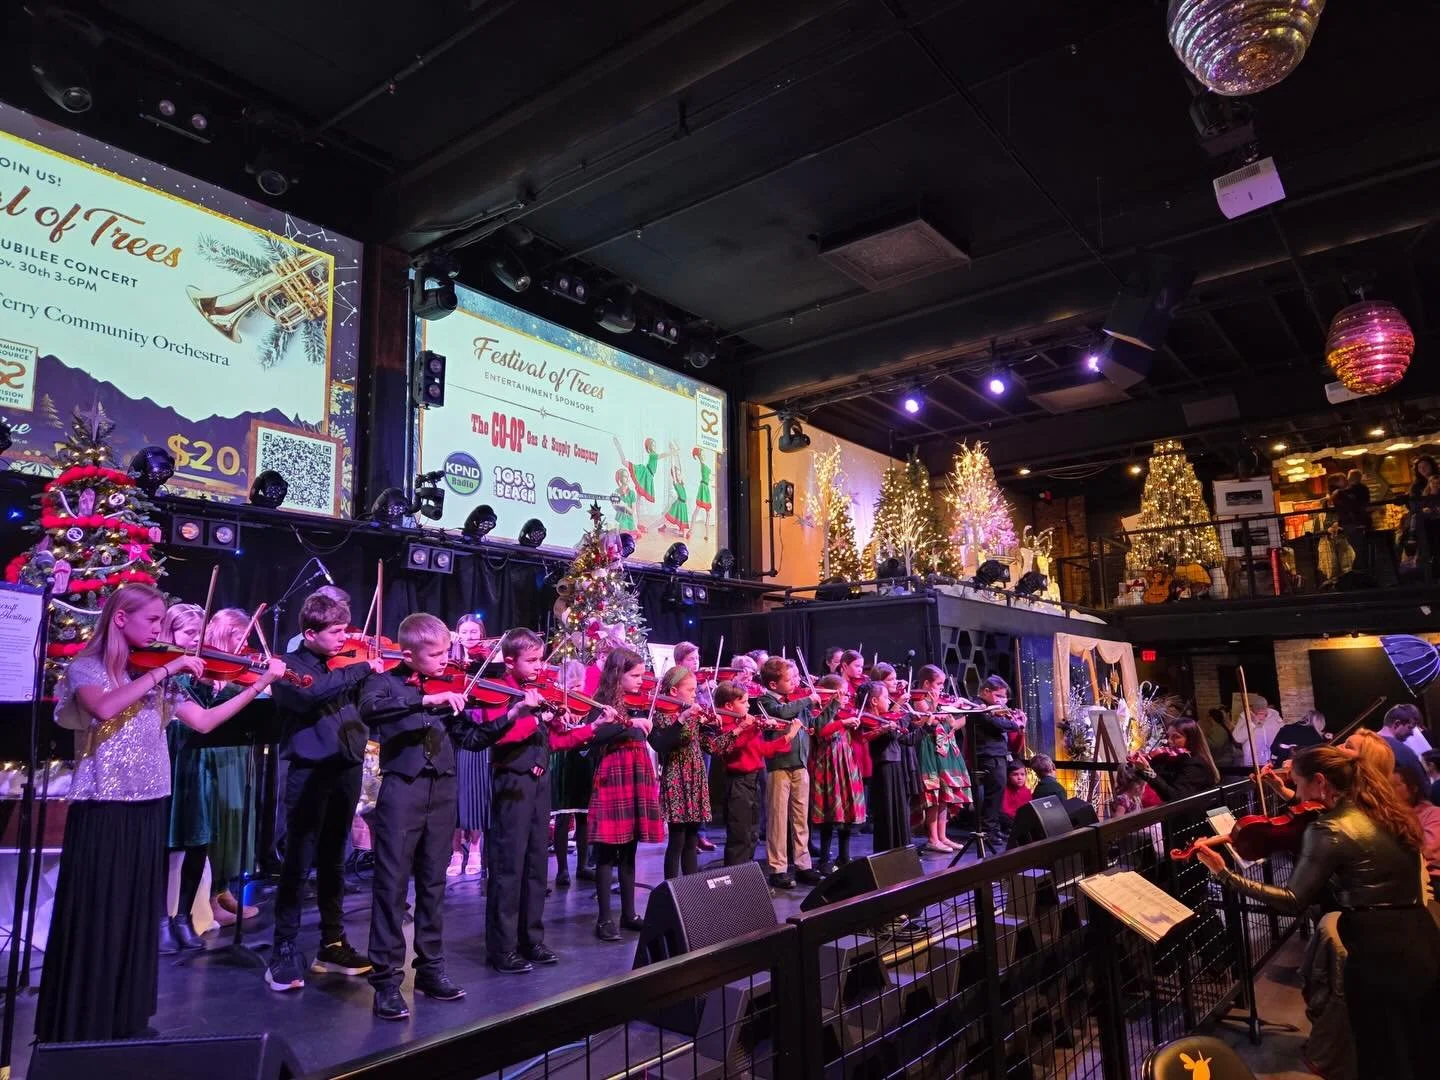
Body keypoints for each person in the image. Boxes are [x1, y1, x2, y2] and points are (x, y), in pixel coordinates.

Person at [38, 584, 284, 1043]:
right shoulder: (87, 667)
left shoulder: (159, 675)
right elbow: (105, 707)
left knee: (133, 914)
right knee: (98, 913)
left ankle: (124, 1016)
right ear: (120, 619)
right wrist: (168, 667)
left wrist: (260, 684)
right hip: (102, 807)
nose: (159, 631)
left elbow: (205, 722)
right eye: (153, 621)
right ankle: (79, 1021)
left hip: (150, 802)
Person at [1195, 742, 1440, 1079]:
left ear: (1320, 782)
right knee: (1420, 1046)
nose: (1297, 794)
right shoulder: (1383, 810)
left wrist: (1226, 875)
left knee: (1381, 1051)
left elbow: (1292, 899)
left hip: (1377, 948)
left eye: (1298, 784)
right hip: (1420, 934)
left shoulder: (1329, 828)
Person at [358, 613, 476, 1020]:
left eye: (447, 652)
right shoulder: (384, 683)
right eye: (436, 654)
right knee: (390, 886)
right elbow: (370, 712)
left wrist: (510, 717)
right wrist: (425, 699)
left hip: (442, 789)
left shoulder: (450, 688)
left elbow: (470, 738)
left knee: (433, 883)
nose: (446, 660)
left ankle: (430, 968)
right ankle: (386, 981)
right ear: (408, 654)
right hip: (402, 789)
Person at [266, 591, 381, 994]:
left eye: (345, 631)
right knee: (298, 861)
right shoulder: (289, 667)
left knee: (336, 859)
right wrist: (363, 667)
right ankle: (283, 946)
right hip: (309, 771)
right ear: (309, 633)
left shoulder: (342, 665)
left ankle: (331, 944)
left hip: (346, 768)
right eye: (335, 632)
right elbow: (312, 693)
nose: (343, 639)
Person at [475, 628, 594, 974]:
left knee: (535, 865)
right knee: (508, 867)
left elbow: (555, 742)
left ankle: (531, 938)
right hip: (512, 781)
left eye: (541, 659)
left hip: (539, 784)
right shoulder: (497, 692)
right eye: (532, 660)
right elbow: (501, 736)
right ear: (509, 661)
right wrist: (535, 717)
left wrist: (589, 727)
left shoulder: (536, 692)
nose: (539, 667)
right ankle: (502, 947)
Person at [167, 607, 264, 946]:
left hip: (199, 761)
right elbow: (200, 719)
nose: (196, 643)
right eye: (188, 636)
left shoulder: (200, 671)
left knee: (199, 837)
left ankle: (184, 917)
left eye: (199, 636)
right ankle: (166, 917)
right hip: (176, 759)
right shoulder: (170, 674)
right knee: (175, 839)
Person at [587, 647, 664, 940]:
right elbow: (593, 736)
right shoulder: (603, 702)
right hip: (614, 772)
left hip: (637, 771)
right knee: (606, 850)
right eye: (635, 675)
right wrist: (627, 723)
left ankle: (629, 912)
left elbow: (655, 739)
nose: (640, 681)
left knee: (630, 849)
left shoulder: (640, 702)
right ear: (618, 674)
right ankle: (604, 918)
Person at [708, 682, 797, 869]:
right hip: (737, 783)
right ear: (729, 706)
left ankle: (747, 877)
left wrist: (787, 736)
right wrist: (753, 727)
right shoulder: (726, 726)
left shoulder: (746, 725)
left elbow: (763, 749)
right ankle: (735, 878)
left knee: (753, 834)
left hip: (753, 780)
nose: (749, 706)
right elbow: (736, 745)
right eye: (744, 701)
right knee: (739, 835)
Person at [755, 658, 823, 889]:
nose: (795, 682)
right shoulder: (766, 700)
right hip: (779, 766)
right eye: (789, 678)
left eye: (795, 677)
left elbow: (814, 722)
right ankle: (778, 868)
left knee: (800, 818)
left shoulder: (798, 702)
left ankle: (803, 864)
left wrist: (830, 705)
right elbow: (781, 712)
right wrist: (807, 699)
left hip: (800, 765)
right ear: (773, 684)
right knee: (778, 819)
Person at [653, 665, 709, 879]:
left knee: (692, 838)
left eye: (696, 689)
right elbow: (666, 742)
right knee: (677, 839)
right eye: (690, 689)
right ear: (674, 692)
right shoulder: (662, 715)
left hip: (695, 775)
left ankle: (692, 889)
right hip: (676, 776)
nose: (695, 694)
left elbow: (707, 744)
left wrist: (714, 727)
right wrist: (684, 718)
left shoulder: (693, 712)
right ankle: (672, 888)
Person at [448, 614, 490, 878]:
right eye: (465, 632)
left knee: (475, 792)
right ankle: (455, 851)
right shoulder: (449, 660)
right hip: (453, 730)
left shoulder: (488, 661)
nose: (470, 636)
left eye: (475, 632)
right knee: (454, 794)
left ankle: (474, 847)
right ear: (458, 634)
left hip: (478, 729)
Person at [912, 665, 969, 854]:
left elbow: (959, 722)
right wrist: (937, 707)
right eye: (938, 684)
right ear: (926, 683)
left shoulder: (944, 701)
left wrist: (956, 719)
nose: (942, 688)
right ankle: (932, 838)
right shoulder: (920, 701)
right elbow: (930, 720)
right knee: (934, 795)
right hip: (930, 748)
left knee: (945, 794)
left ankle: (943, 836)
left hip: (946, 748)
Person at [550, 656, 596, 887]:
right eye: (572, 687)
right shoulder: (558, 705)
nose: (578, 691)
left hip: (583, 762)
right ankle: (562, 869)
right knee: (563, 815)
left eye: (580, 686)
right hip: (564, 762)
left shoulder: (589, 705)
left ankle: (583, 865)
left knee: (584, 815)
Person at [858, 680, 913, 853]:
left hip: (895, 766)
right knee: (887, 813)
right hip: (884, 768)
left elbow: (906, 740)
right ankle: (888, 853)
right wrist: (903, 716)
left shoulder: (886, 719)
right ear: (874, 701)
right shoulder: (870, 720)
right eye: (886, 698)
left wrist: (925, 726)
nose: (890, 701)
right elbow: (885, 735)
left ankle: (901, 851)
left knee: (899, 811)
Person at [971, 675, 1026, 845]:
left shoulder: (993, 709)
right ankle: (988, 831)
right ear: (986, 691)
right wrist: (1016, 724)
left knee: (997, 795)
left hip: (997, 755)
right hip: (987, 756)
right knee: (992, 795)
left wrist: (1013, 719)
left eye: (1004, 697)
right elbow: (996, 724)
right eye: (999, 696)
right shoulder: (977, 706)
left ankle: (993, 830)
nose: (1002, 701)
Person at [1132, 720, 1221, 801]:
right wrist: (1137, 763)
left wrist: (1148, 771)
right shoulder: (1172, 758)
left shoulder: (1196, 765)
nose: (1169, 741)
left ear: (1191, 740)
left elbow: (1176, 797)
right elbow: (1154, 774)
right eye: (1168, 736)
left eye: (1176, 737)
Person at [1379, 704, 1427, 786]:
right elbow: (1423, 784)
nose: (1412, 733)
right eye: (1410, 727)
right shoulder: (1402, 751)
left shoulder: (1366, 743)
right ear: (1397, 724)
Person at [1230, 694, 1282, 769]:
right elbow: (1237, 738)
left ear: (1266, 709)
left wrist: (1276, 754)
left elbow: (1282, 734)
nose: (1261, 716)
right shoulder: (1245, 717)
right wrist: (1252, 723)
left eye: (1263, 713)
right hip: (1252, 762)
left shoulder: (1274, 716)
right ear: (1252, 710)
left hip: (1272, 761)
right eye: (1257, 713)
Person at [998, 762, 1033, 837]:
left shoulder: (1027, 791)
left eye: (1022, 774)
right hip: (1009, 820)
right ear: (1008, 777)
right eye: (1015, 774)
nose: (1020, 778)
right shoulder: (1005, 791)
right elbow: (1004, 811)